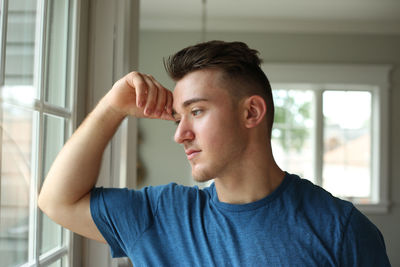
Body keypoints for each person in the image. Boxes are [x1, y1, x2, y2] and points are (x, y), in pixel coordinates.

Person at [38, 40, 391, 266]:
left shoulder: (340, 230)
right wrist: (112, 108)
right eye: (178, 117)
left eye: (197, 111)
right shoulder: (159, 216)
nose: (180, 134)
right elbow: (57, 201)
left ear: (251, 112)